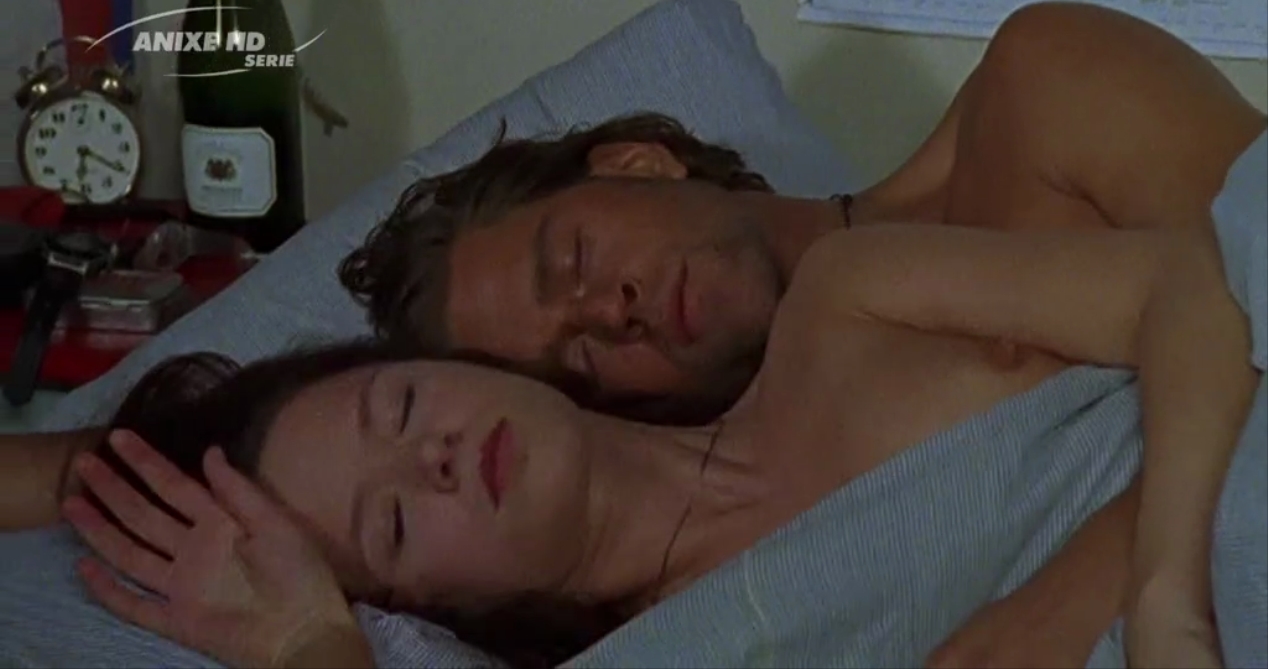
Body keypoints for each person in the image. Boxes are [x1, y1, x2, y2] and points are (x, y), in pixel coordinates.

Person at [333, 0, 1266, 666]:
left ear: (638, 164)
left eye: (574, 259)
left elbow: (1253, 286)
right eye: (577, 356)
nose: (611, 311)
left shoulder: (1043, 89)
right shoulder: (767, 530)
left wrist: (1083, 589)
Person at [5, 214, 1258, 667]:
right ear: (428, 608)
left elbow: (1204, 285)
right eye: (391, 519)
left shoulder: (848, 299)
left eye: (403, 405)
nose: (430, 456)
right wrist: (309, 650)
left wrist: (1137, 584)